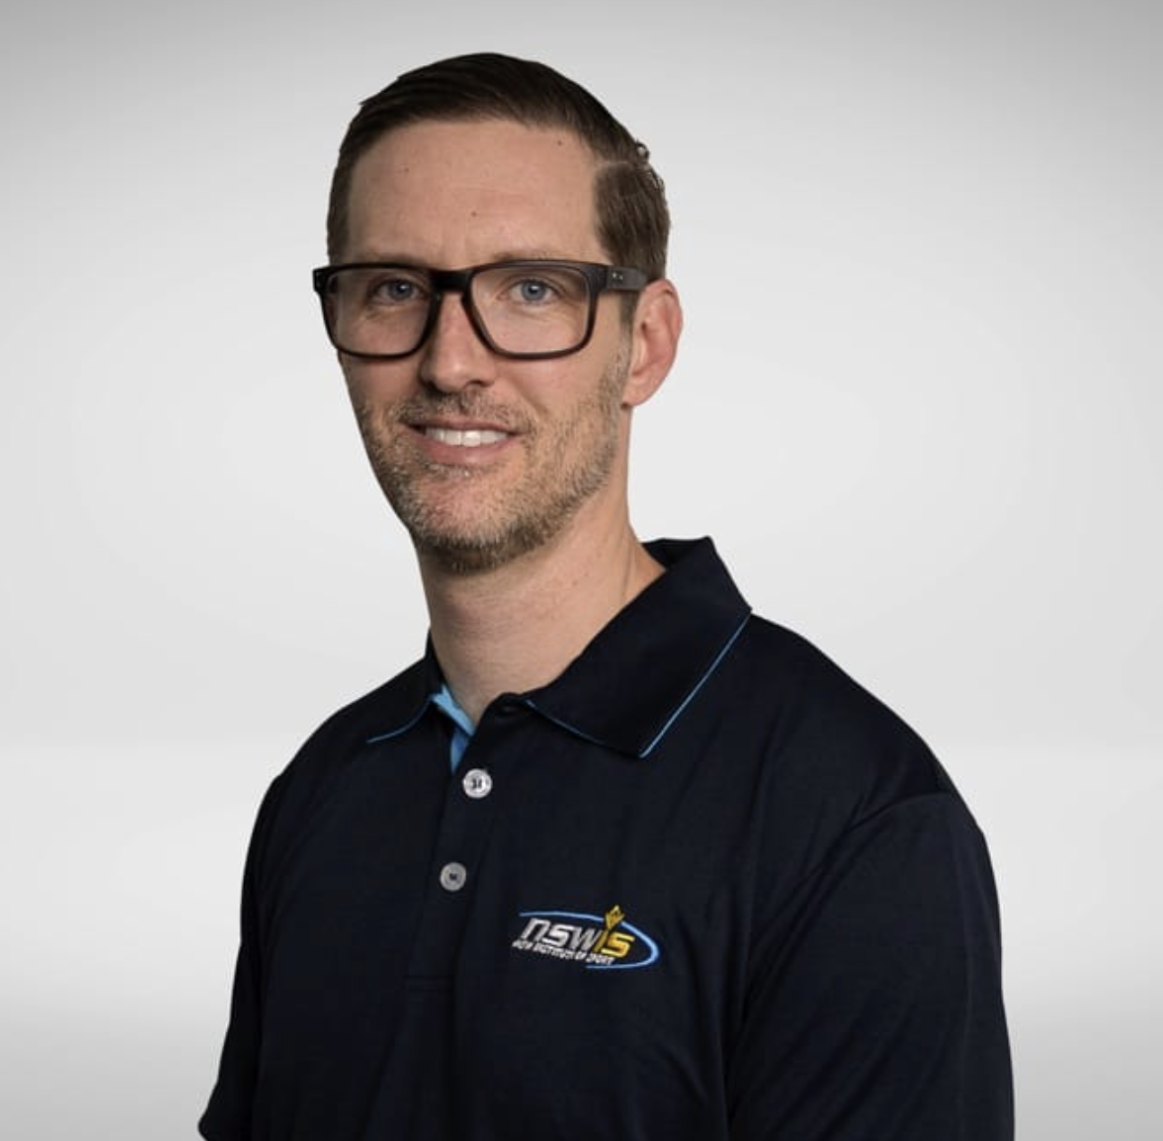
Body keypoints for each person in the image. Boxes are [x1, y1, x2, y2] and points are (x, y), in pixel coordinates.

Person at [200, 52, 1013, 1141]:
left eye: (531, 289)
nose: (450, 362)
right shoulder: (321, 791)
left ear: (645, 344)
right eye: (394, 288)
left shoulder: (855, 822)